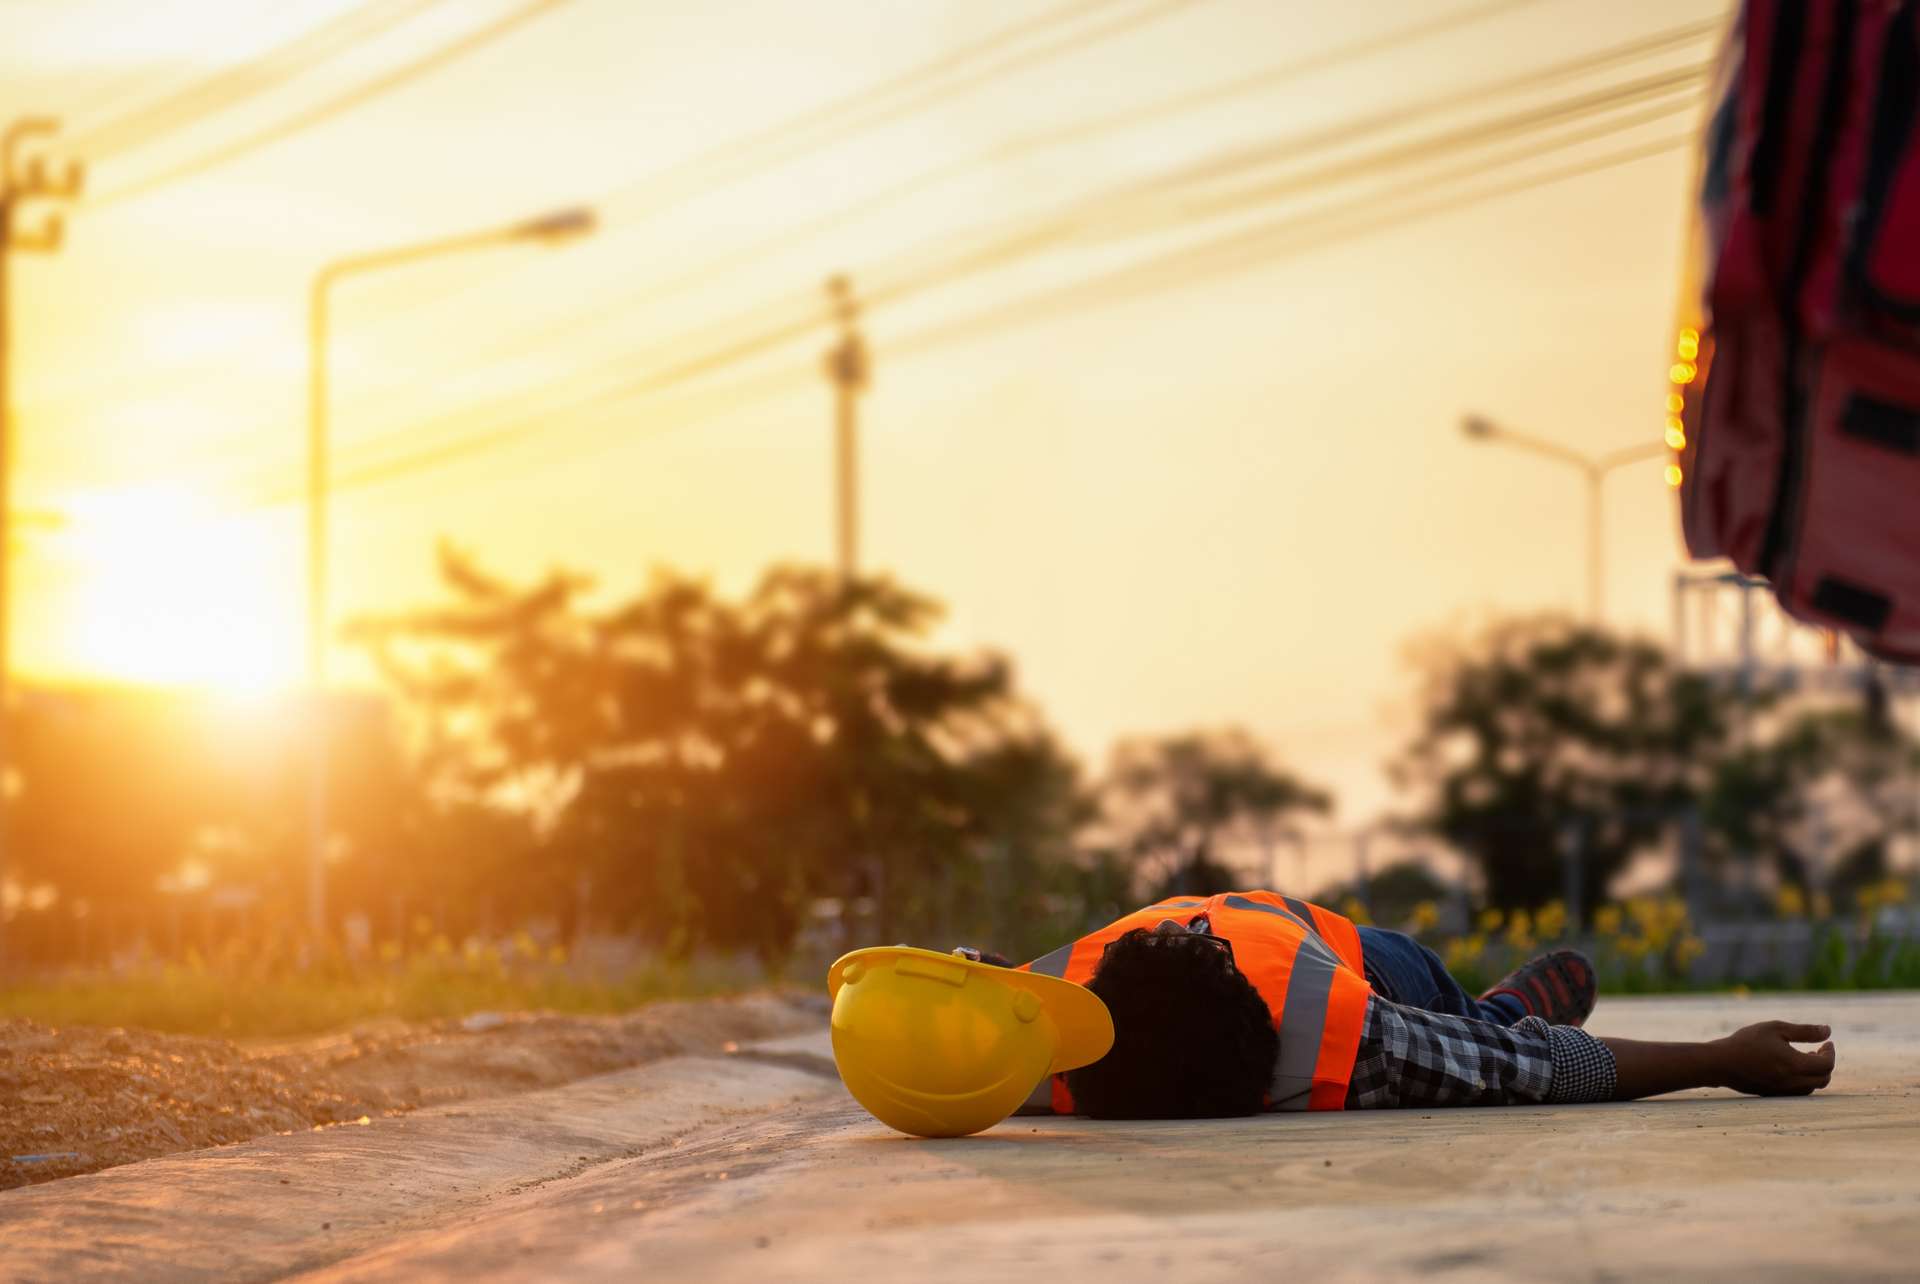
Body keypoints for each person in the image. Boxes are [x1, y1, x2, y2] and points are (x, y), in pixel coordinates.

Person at [958, 890, 1836, 1118]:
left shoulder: (1049, 1028)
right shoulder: (1355, 1045)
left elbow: (936, 1001)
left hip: (1336, 955)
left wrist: (971, 973)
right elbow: (1534, 1071)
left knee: (1458, 1037)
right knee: (1477, 1046)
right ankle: (1506, 1002)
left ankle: (1494, 1005)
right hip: (1370, 985)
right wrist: (1724, 1057)